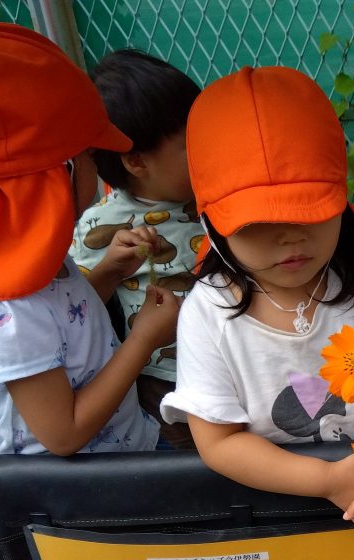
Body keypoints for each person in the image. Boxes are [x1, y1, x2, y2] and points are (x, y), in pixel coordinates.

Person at [160, 66, 354, 535]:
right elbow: (218, 443)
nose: (290, 237)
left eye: (311, 210)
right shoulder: (209, 312)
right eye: (256, 222)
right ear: (212, 223)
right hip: (272, 511)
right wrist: (324, 478)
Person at [0, 23, 180, 456]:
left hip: (130, 445)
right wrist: (143, 341)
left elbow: (61, 332)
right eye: (89, 157)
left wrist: (106, 274)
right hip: (93, 499)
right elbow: (64, 436)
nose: (96, 170)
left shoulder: (16, 258)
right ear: (57, 175)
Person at [70, 49, 202, 449]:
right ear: (136, 161)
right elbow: (78, 311)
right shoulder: (99, 225)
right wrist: (110, 268)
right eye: (191, 143)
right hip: (162, 385)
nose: (209, 149)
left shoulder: (218, 199)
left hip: (236, 369)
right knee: (190, 477)